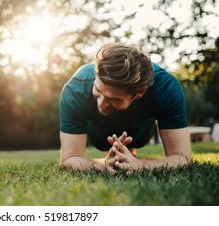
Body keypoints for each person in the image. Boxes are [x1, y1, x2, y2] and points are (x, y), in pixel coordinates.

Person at [59, 43, 191, 173]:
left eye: (114, 99)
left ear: (140, 93)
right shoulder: (75, 90)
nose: (101, 103)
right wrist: (103, 164)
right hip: (99, 135)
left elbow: (182, 158)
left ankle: (129, 150)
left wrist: (139, 164)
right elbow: (68, 159)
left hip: (139, 134)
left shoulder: (166, 88)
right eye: (98, 90)